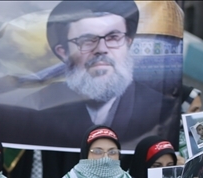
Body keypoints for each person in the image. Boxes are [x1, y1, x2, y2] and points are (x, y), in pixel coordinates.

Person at [16, 0, 174, 148]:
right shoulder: (35, 108)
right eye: (87, 40)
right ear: (63, 52)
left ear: (128, 44)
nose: (101, 49)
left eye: (113, 37)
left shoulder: (162, 111)